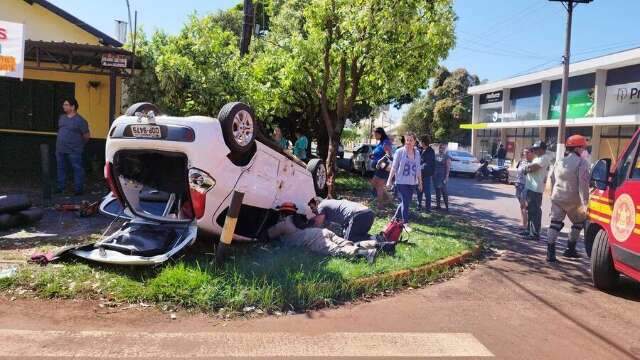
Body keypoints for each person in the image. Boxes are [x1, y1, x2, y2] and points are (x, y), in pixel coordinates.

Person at [267, 202, 378, 263]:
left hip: (315, 239)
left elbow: (268, 234)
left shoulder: (283, 223)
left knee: (337, 250)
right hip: (322, 232)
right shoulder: (299, 219)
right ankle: (374, 245)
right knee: (347, 243)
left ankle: (366, 254)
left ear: (282, 213)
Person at [546, 135, 591, 262]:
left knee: (554, 224)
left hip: (557, 196)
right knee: (578, 223)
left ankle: (550, 254)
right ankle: (570, 249)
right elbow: (583, 185)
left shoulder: (559, 161)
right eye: (583, 148)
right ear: (577, 148)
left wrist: (553, 194)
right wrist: (585, 203)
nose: (584, 150)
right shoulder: (582, 163)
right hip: (573, 200)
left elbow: (552, 178)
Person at [386, 132, 422, 228]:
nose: (408, 142)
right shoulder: (400, 151)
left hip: (412, 182)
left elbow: (418, 169)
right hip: (401, 182)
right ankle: (405, 223)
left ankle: (394, 219)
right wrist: (389, 181)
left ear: (415, 141)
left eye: (411, 140)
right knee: (405, 202)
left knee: (405, 202)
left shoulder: (417, 153)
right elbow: (394, 167)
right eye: (407, 140)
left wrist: (420, 183)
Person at [56, 98, 90, 195]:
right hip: (60, 148)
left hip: (74, 150)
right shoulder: (62, 117)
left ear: (73, 107)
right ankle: (61, 187)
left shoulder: (80, 120)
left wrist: (78, 144)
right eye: (64, 104)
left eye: (66, 105)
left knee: (77, 168)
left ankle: (78, 189)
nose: (64, 106)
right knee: (60, 168)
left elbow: (86, 136)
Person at [309, 198, 375, 242]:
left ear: (317, 203)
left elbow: (318, 225)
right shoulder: (331, 202)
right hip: (368, 213)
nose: (312, 211)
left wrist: (306, 230)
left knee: (349, 240)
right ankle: (376, 239)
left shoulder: (321, 205)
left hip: (359, 215)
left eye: (312, 207)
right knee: (355, 236)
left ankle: (378, 241)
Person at [524, 140, 552, 241]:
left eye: (537, 149)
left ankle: (535, 233)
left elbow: (533, 168)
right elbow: (528, 168)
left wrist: (527, 168)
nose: (535, 150)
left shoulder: (544, 158)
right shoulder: (539, 158)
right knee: (530, 211)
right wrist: (527, 168)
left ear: (542, 149)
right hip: (531, 187)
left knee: (534, 211)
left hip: (536, 188)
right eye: (534, 149)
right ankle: (529, 230)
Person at [369, 127, 393, 209]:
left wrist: (380, 161)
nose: (374, 136)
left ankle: (380, 205)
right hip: (379, 168)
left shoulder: (386, 142)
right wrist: (373, 155)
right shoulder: (381, 142)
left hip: (383, 168)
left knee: (379, 185)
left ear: (380, 134)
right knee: (374, 184)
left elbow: (388, 155)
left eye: (375, 134)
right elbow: (379, 152)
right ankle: (388, 199)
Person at [515, 148, 533, 233]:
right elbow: (518, 173)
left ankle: (525, 225)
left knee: (524, 206)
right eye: (524, 152)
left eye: (527, 152)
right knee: (521, 206)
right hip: (518, 185)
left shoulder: (533, 163)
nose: (525, 154)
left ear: (531, 153)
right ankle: (524, 223)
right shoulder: (521, 162)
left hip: (526, 186)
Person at [417, 137, 435, 211]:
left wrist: (420, 167)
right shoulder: (420, 150)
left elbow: (428, 163)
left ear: (424, 143)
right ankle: (419, 206)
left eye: (421, 142)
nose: (419, 143)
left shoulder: (430, 151)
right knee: (419, 191)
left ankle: (428, 208)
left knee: (427, 192)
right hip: (419, 174)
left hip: (426, 174)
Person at [433, 143, 451, 211]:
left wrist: (446, 177)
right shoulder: (435, 155)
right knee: (437, 191)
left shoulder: (447, 157)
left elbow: (448, 167)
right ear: (439, 148)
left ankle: (447, 207)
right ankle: (438, 206)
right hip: (435, 176)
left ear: (445, 149)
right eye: (440, 147)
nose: (441, 149)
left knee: (444, 191)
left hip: (442, 176)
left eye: (443, 148)